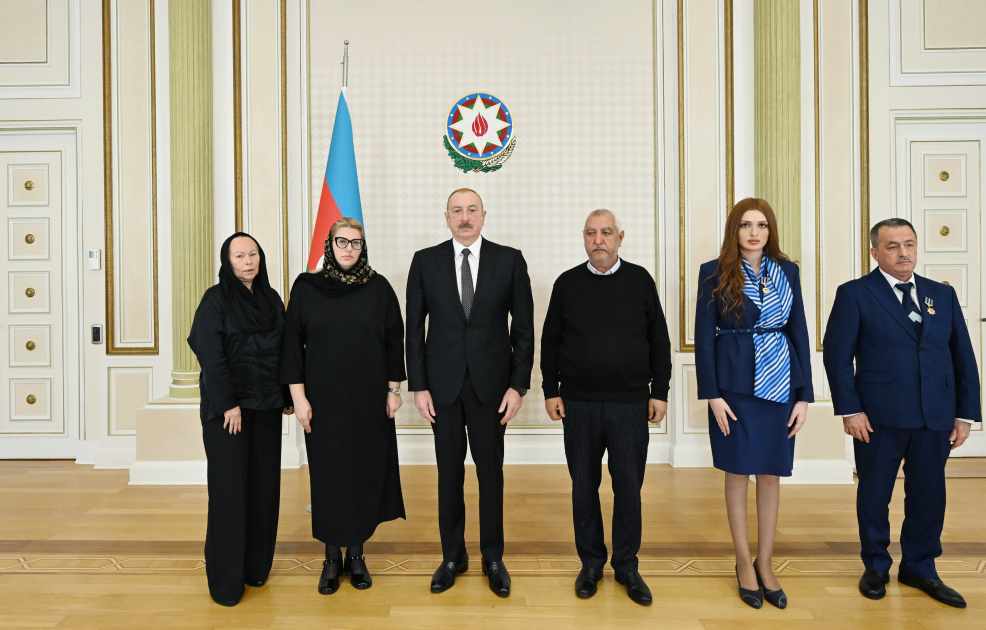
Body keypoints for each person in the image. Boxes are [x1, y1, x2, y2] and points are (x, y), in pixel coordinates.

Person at [822, 217, 980, 608]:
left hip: (935, 415)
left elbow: (963, 356)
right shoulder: (855, 294)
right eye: (892, 246)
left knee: (929, 494)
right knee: (875, 493)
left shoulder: (939, 296)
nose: (903, 252)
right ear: (874, 252)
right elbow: (838, 359)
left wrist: (965, 413)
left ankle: (920, 566)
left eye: (908, 244)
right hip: (878, 417)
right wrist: (850, 410)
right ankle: (875, 565)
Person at [406, 188, 535, 597]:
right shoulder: (424, 262)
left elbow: (525, 329)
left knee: (489, 474)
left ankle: (493, 558)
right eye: (457, 211)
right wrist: (419, 385)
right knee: (449, 475)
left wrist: (518, 385)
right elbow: (413, 330)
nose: (465, 217)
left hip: (492, 389)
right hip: (440, 389)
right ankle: (452, 556)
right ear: (446, 217)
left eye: (472, 210)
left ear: (484, 215)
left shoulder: (509, 260)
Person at [541, 209, 671, 606]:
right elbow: (550, 342)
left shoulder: (640, 281)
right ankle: (592, 563)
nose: (598, 239)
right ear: (583, 238)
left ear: (620, 237)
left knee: (628, 487)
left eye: (606, 233)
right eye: (591, 233)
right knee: (584, 486)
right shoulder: (566, 283)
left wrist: (660, 391)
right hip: (578, 404)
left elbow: (660, 342)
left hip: (630, 404)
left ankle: (627, 565)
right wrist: (551, 390)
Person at [694, 198, 813, 610]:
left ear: (770, 230)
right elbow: (703, 336)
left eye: (761, 225)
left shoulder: (788, 271)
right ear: (735, 230)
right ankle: (743, 560)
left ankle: (766, 562)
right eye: (746, 225)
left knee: (770, 473)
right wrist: (712, 395)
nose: (754, 232)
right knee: (738, 471)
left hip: (780, 383)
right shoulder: (713, 271)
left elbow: (799, 331)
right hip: (733, 387)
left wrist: (804, 396)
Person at [280, 218, 407, 595]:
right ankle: (332, 558)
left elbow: (393, 338)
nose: (348, 248)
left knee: (363, 474)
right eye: (341, 241)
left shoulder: (378, 287)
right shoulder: (306, 288)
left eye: (355, 243)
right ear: (329, 245)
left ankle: (357, 555)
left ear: (363, 247)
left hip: (369, 401)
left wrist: (393, 389)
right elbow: (291, 345)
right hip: (322, 402)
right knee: (331, 477)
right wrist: (299, 400)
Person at [187, 232, 293, 607]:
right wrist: (229, 402)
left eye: (253, 254)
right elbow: (209, 354)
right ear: (227, 261)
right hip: (228, 414)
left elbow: (285, 349)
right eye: (239, 256)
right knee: (230, 495)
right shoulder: (215, 300)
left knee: (264, 491)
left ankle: (255, 570)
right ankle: (226, 582)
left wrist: (285, 396)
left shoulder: (272, 298)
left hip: (266, 409)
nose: (247, 261)